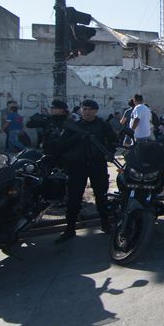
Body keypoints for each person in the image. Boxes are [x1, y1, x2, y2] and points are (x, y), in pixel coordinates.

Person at [54, 99, 118, 243]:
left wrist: (108, 152)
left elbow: (112, 141)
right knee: (74, 198)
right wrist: (77, 137)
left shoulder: (103, 125)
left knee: (101, 196)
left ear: (96, 110)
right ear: (81, 110)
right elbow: (61, 145)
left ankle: (105, 224)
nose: (87, 112)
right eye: (85, 109)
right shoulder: (73, 126)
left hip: (97, 164)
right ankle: (70, 228)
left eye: (90, 109)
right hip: (77, 166)